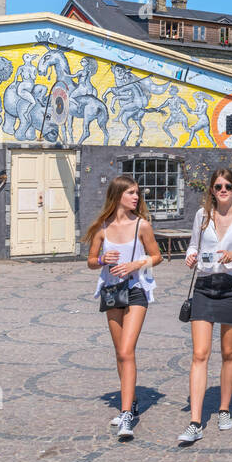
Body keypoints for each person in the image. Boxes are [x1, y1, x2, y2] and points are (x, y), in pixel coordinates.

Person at [178, 168, 232, 444]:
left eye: (227, 186)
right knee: (200, 353)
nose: (222, 190)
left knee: (228, 352)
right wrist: (190, 257)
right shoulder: (202, 216)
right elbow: (193, 246)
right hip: (204, 285)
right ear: (212, 190)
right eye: (217, 186)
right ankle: (195, 420)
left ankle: (224, 408)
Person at [84, 175, 162, 441]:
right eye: (131, 193)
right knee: (120, 353)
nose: (136, 197)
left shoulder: (142, 226)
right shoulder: (102, 229)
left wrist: (135, 264)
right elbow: (91, 262)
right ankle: (132, 400)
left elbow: (157, 256)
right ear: (118, 196)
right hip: (111, 292)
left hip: (136, 289)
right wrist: (102, 259)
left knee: (127, 350)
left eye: (137, 193)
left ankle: (126, 413)